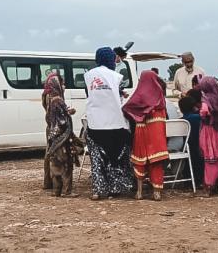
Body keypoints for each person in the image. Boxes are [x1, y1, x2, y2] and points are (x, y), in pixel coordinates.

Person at [83, 47, 134, 200]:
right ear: (111, 59)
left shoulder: (88, 76)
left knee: (97, 159)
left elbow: (91, 95)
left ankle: (98, 190)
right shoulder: (116, 76)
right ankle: (115, 188)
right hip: (115, 124)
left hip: (95, 124)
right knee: (115, 158)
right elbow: (117, 96)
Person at [122, 70, 169, 201]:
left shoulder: (139, 93)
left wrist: (139, 114)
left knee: (140, 160)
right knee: (156, 161)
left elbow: (126, 108)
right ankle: (157, 192)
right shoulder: (160, 95)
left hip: (141, 130)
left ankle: (139, 192)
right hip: (157, 132)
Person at [42, 73, 80, 196]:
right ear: (57, 85)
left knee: (55, 162)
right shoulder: (58, 99)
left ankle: (56, 190)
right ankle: (67, 191)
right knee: (66, 163)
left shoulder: (47, 97)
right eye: (62, 83)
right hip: (62, 136)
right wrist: (70, 112)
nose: (64, 86)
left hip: (52, 134)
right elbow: (63, 118)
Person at [179, 97, 204, 186]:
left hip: (187, 148)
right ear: (194, 107)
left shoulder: (181, 120)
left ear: (181, 109)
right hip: (199, 146)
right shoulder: (199, 118)